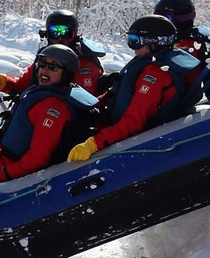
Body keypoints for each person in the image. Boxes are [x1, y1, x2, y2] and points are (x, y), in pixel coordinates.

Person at [0, 44, 99, 187]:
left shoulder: (53, 108)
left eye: (53, 67)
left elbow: (38, 158)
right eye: (42, 64)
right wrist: (2, 82)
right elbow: (19, 86)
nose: (45, 70)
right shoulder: (44, 90)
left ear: (66, 74)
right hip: (4, 156)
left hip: (8, 168)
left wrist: (0, 178)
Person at [67, 15, 202, 163]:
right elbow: (119, 94)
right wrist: (89, 105)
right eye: (130, 41)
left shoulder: (155, 75)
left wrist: (93, 144)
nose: (132, 48)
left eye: (135, 42)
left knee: (67, 139)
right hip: (111, 122)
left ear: (154, 43)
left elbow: (133, 122)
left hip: (127, 137)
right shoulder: (147, 62)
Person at [0, 9, 105, 96]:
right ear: (47, 35)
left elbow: (94, 102)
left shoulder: (87, 65)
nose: (60, 38)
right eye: (55, 33)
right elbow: (22, 86)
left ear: (75, 35)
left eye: (66, 33)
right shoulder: (44, 60)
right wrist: (2, 82)